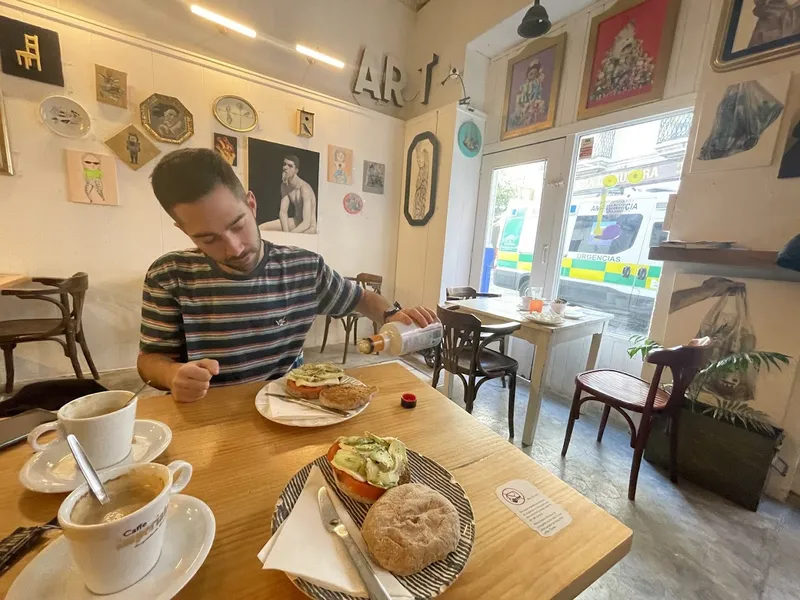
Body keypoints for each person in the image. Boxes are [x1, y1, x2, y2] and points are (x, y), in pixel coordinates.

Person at [138, 148, 436, 403]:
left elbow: (361, 298)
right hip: (208, 412)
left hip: (286, 406)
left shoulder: (304, 267)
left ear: (251, 205)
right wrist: (171, 375)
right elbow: (150, 359)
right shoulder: (168, 276)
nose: (235, 247)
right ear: (184, 231)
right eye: (208, 239)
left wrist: (391, 315)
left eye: (238, 224)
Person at [259, 155, 317, 234]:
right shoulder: (285, 186)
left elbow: (307, 222)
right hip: (296, 222)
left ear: (296, 170)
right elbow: (283, 211)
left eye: (290, 166)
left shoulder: (305, 189)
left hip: (309, 227)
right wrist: (285, 233)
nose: (286, 168)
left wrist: (289, 235)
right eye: (285, 164)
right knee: (261, 228)